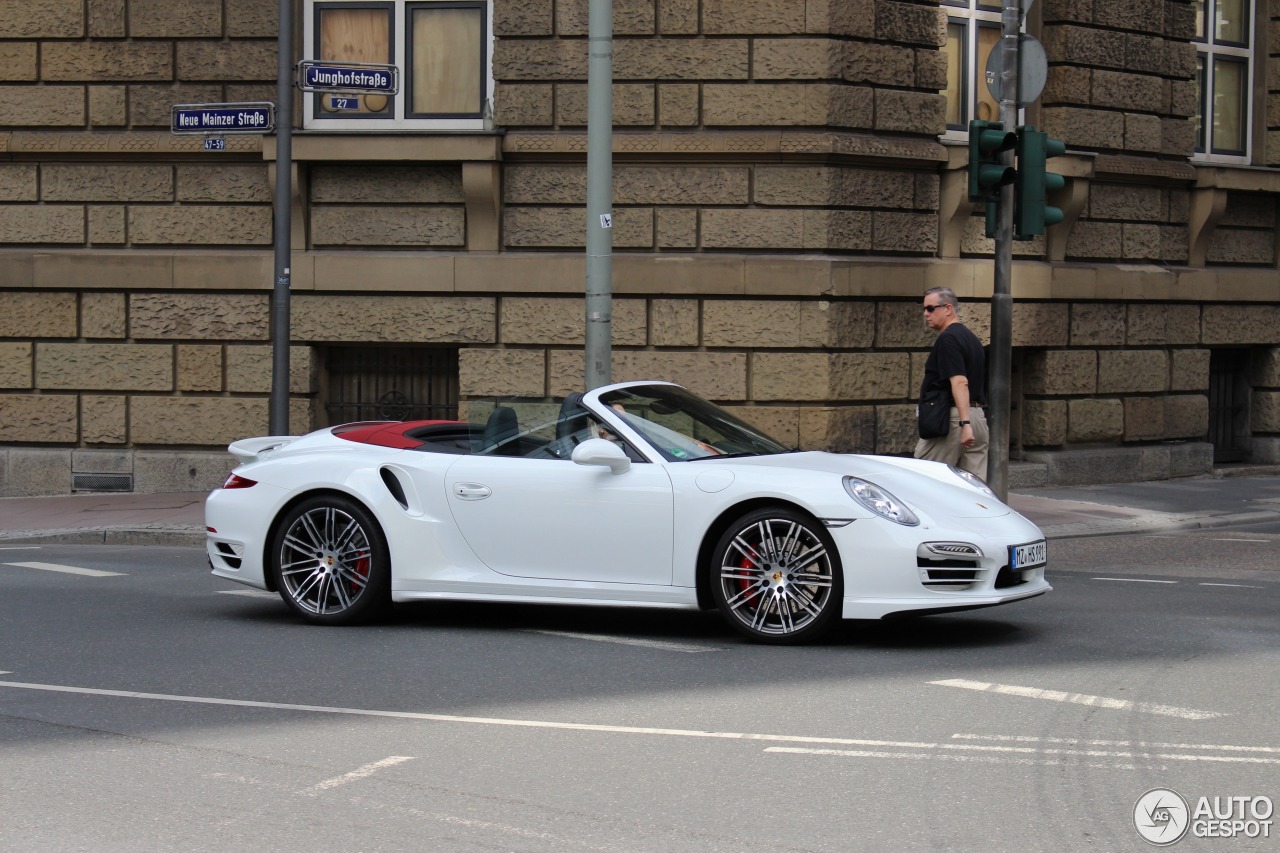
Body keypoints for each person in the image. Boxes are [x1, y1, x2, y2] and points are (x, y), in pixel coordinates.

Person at [914, 287, 989, 480]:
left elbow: (960, 382)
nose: (926, 314)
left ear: (948, 309)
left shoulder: (948, 339)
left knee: (926, 478)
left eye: (930, 308)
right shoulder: (972, 339)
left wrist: (965, 424)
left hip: (954, 420)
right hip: (977, 417)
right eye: (924, 309)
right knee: (974, 488)